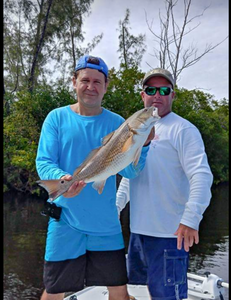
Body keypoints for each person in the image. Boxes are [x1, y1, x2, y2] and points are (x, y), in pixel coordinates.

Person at [36, 55, 153, 300]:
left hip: (105, 225)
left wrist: (143, 145)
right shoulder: (56, 118)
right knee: (54, 292)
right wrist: (62, 180)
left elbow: (129, 172)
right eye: (85, 80)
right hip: (64, 221)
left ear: (106, 86)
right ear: (74, 82)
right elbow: (44, 162)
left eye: (97, 82)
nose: (91, 87)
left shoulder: (119, 123)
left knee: (119, 292)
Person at [116, 68, 213, 300]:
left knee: (167, 297)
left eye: (163, 90)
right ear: (143, 95)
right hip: (137, 234)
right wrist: (116, 208)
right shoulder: (136, 130)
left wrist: (191, 219)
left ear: (172, 95)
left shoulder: (184, 130)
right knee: (136, 293)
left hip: (170, 237)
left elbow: (201, 176)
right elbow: (131, 176)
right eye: (151, 89)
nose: (157, 95)